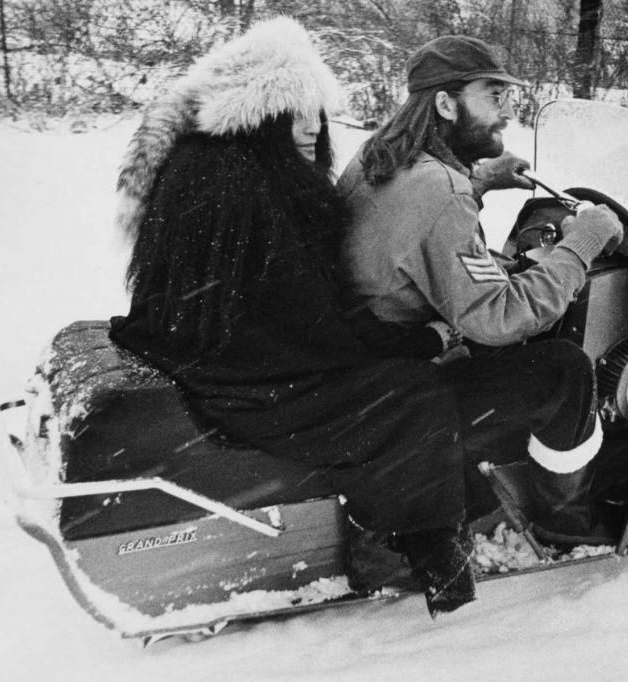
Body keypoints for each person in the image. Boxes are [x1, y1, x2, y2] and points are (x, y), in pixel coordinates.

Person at [109, 17, 474, 616]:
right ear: (259, 114)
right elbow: (310, 333)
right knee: (413, 396)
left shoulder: (218, 166)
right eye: (293, 111)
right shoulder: (247, 190)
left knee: (397, 378)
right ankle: (414, 553)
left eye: (317, 111)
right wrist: (419, 343)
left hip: (213, 358)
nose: (311, 126)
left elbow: (281, 311)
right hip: (250, 383)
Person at [336, 36, 625, 547]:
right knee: (564, 370)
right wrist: (582, 243)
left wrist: (481, 178)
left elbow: (418, 222)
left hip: (369, 366)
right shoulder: (440, 192)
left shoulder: (377, 157)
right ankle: (564, 525)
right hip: (405, 387)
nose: (509, 111)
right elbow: (499, 319)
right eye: (494, 96)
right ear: (445, 104)